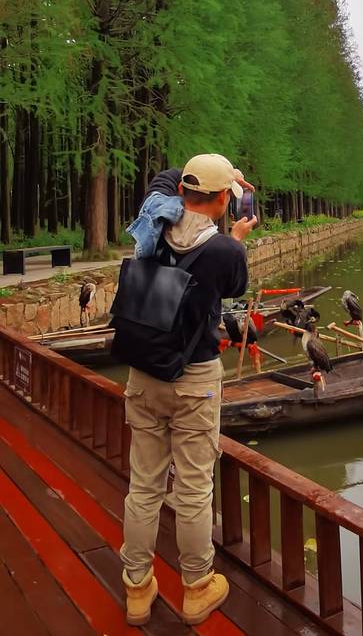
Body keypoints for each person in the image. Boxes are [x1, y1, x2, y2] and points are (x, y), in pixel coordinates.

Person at [119, 153, 256, 627]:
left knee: (143, 485)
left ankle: (137, 587)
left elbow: (166, 180)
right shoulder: (225, 251)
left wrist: (209, 177)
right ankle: (196, 586)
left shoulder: (154, 222)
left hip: (144, 374)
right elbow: (235, 287)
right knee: (194, 489)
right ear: (223, 201)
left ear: (181, 192)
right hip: (194, 378)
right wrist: (236, 237)